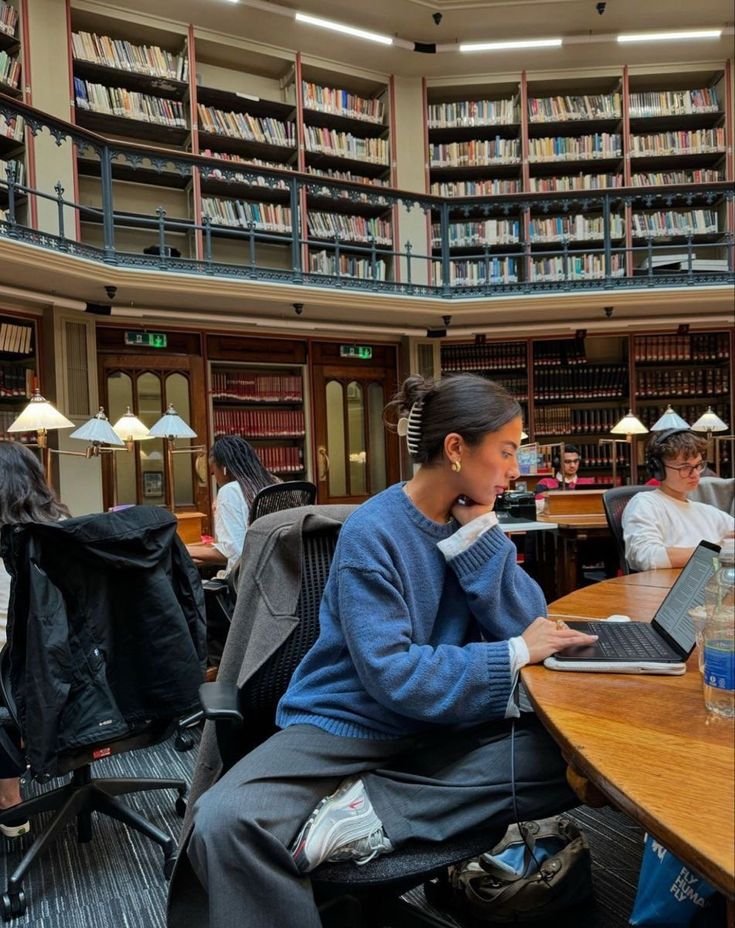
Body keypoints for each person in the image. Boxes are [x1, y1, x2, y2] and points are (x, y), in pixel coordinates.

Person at [183, 373, 598, 928]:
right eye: (505, 452)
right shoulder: (373, 533)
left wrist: (480, 542)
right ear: (455, 449)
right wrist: (512, 653)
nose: (515, 469)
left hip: (439, 724)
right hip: (349, 723)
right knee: (222, 820)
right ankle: (380, 807)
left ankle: (373, 813)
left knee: (582, 754)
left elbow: (528, 625)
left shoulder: (473, 520)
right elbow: (396, 676)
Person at [0, 441, 70, 838]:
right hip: (76, 677)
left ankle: (9, 795)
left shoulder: (9, 549)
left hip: (24, 680)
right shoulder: (66, 536)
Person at [623, 429, 735, 572]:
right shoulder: (645, 504)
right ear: (658, 469)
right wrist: (718, 551)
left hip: (710, 589)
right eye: (685, 467)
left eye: (698, 465)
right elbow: (646, 556)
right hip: (664, 591)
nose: (695, 474)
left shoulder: (708, 512)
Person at [186, 435, 280, 574]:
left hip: (248, 582)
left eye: (213, 472)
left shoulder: (230, 492)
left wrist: (184, 549)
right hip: (280, 576)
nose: (215, 478)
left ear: (224, 469)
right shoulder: (275, 482)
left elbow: (235, 553)